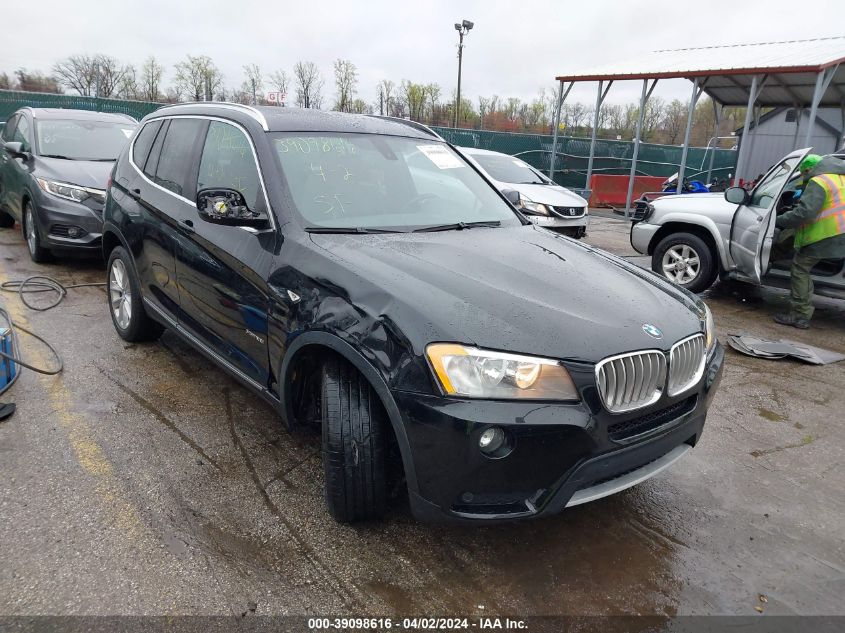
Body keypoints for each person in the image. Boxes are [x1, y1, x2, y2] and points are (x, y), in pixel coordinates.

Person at [772, 153, 845, 329]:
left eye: (804, 173)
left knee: (799, 268)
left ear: (810, 169)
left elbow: (805, 213)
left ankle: (799, 315)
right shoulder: (839, 178)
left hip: (826, 234)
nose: (804, 177)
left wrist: (778, 219)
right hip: (840, 232)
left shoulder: (819, 181)